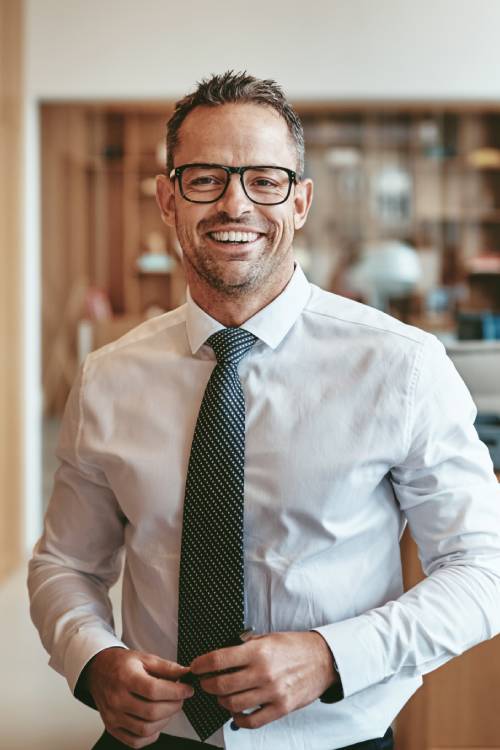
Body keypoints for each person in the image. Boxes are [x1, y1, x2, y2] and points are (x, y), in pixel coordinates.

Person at [28, 71, 500, 750]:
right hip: (157, 740)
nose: (235, 203)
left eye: (265, 180)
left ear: (300, 201)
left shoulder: (402, 366)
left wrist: (333, 655)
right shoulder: (108, 377)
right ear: (168, 198)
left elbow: (483, 569)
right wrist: (92, 658)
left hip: (337, 737)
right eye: (205, 179)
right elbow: (64, 565)